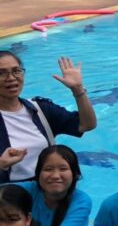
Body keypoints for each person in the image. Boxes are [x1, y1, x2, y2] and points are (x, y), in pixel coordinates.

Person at [0, 52, 96, 184]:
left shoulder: (40, 109)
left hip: (48, 189)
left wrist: (78, 90)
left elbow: (86, 125)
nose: (11, 78)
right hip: (8, 194)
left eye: (16, 71)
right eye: (1, 73)